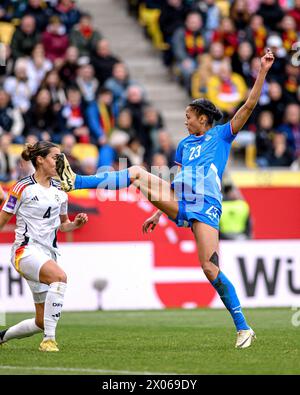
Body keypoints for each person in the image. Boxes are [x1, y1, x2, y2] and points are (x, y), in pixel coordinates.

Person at [55, 50, 275, 349]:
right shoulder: (184, 145)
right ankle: (77, 181)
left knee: (210, 268)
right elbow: (177, 179)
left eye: (188, 117)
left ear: (203, 118)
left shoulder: (222, 134)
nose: (185, 121)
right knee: (134, 172)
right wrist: (160, 211)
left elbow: (249, 105)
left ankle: (243, 328)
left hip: (206, 205)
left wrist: (262, 71)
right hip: (181, 200)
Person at [0, 141, 88, 352]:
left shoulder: (60, 190)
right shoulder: (22, 188)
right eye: (55, 157)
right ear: (40, 160)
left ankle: (2, 337)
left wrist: (75, 224)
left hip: (47, 254)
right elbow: (3, 220)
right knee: (60, 278)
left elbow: (63, 225)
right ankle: (49, 340)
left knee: (41, 321)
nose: (60, 161)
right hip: (25, 251)